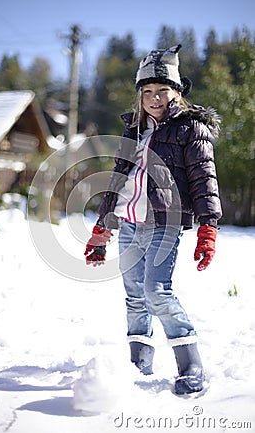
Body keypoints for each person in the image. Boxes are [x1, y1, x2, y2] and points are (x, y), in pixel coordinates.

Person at [84, 44, 222, 395]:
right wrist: (102, 228)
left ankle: (191, 366)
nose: (155, 98)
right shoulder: (133, 129)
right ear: (140, 96)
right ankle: (137, 365)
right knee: (134, 295)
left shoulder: (191, 128)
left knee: (156, 291)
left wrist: (208, 226)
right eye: (147, 92)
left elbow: (204, 179)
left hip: (166, 223)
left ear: (177, 92)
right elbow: (119, 179)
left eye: (162, 91)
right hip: (130, 223)